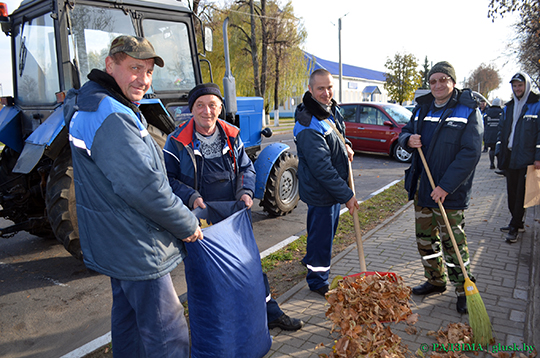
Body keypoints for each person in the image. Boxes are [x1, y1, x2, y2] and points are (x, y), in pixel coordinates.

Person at [64, 35, 202, 358]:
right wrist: (187, 224)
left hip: (118, 243)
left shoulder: (106, 104)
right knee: (169, 335)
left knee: (129, 326)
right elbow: (144, 188)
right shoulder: (110, 115)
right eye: (135, 68)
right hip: (138, 246)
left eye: (149, 71)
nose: (144, 79)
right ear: (111, 65)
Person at [163, 83, 303, 331]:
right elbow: (168, 180)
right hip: (200, 222)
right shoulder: (176, 142)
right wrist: (191, 196)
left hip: (234, 218)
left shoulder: (231, 134)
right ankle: (220, 328)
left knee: (250, 267)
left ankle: (270, 313)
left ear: (220, 108)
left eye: (213, 105)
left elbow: (246, 168)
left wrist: (246, 192)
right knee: (207, 277)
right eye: (200, 105)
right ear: (192, 109)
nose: (207, 111)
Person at [398, 61, 483, 314]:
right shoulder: (422, 107)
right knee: (426, 241)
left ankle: (463, 289)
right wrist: (407, 139)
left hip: (449, 194)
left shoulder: (467, 110)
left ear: (452, 82)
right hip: (423, 189)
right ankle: (435, 280)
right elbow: (405, 132)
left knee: (453, 243)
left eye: (443, 80)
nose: (437, 85)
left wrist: (445, 187)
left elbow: (471, 153)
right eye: (433, 80)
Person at [293, 68, 359, 296]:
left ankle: (311, 258)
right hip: (321, 190)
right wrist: (347, 195)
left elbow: (337, 133)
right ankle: (317, 279)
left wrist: (346, 144)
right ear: (310, 90)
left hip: (329, 189)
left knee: (322, 233)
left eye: (329, 87)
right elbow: (322, 168)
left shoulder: (330, 109)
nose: (326, 92)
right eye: (320, 88)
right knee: (322, 236)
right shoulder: (308, 122)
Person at [495, 72, 540, 243]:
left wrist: (538, 157)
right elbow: (501, 130)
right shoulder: (508, 107)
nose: (517, 88)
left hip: (527, 158)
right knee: (512, 193)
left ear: (526, 85)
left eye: (520, 85)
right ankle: (518, 222)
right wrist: (499, 151)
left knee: (521, 194)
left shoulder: (536, 105)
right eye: (514, 86)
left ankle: (514, 226)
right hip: (510, 156)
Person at [484, 98, 503, 169]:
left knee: (491, 149)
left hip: (489, 133)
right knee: (498, 148)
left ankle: (492, 163)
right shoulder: (501, 112)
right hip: (498, 132)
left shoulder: (487, 112)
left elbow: (485, 122)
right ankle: (499, 164)